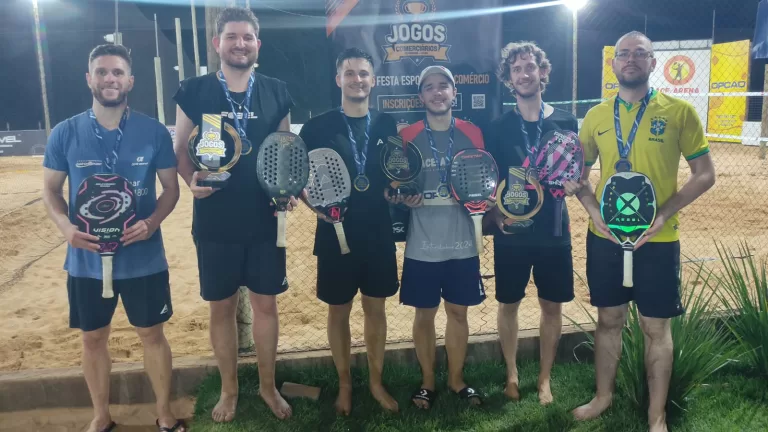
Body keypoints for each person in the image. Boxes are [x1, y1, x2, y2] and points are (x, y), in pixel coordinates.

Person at [567, 31, 715, 432]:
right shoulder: (596, 117)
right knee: (609, 319)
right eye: (623, 54)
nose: (631, 59)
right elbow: (577, 177)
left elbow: (705, 175)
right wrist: (593, 212)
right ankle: (603, 397)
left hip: (658, 241)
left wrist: (665, 214)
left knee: (655, 328)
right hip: (606, 240)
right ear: (613, 64)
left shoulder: (680, 111)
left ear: (653, 63)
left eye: (640, 54)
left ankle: (657, 416)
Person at [42, 44, 184, 432]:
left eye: (118, 73)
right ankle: (101, 416)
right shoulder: (65, 132)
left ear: (130, 81)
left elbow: (171, 190)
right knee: (93, 338)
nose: (110, 79)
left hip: (143, 258)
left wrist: (152, 222)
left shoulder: (152, 131)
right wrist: (66, 228)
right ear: (89, 78)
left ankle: (164, 413)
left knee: (152, 334)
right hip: (86, 261)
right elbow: (51, 191)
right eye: (102, 72)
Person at [172, 7, 296, 422]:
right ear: (217, 43)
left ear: (257, 44)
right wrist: (192, 182)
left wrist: (287, 192)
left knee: (266, 307)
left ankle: (265, 386)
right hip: (215, 221)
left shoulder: (277, 91)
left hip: (264, 220)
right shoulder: (195, 90)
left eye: (247, 37)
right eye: (231, 37)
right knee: (221, 309)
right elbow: (180, 152)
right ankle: (229, 390)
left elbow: (284, 155)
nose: (239, 43)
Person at [298, 48, 400, 415]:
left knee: (376, 310)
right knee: (338, 312)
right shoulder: (316, 127)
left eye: (363, 73)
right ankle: (344, 384)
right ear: (338, 79)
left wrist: (396, 190)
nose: (357, 79)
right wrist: (315, 208)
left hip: (377, 234)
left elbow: (395, 175)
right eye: (350, 73)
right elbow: (300, 181)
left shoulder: (387, 125)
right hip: (334, 234)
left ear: (373, 81)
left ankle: (375, 381)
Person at [483, 41, 577, 405]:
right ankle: (511, 374)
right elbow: (489, 178)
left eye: (530, 67)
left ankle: (544, 380)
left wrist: (574, 183)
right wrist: (494, 213)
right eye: (517, 69)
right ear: (509, 78)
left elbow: (575, 169)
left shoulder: (566, 120)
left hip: (555, 230)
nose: (524, 74)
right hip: (513, 232)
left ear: (542, 72)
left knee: (552, 307)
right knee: (508, 304)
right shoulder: (499, 127)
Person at [392, 65, 487, 410]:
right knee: (425, 314)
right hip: (423, 242)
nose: (437, 92)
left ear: (453, 93)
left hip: (463, 240)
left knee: (458, 313)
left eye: (443, 86)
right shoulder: (408, 135)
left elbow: (480, 179)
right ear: (421, 96)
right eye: (429, 87)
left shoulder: (473, 133)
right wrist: (403, 197)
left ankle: (457, 379)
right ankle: (428, 382)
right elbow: (399, 183)